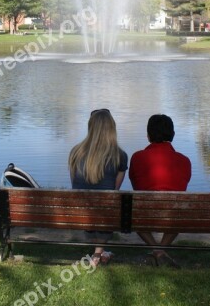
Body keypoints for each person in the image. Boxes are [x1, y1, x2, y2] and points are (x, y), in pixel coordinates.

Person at [129, 114, 192, 267]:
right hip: (174, 217)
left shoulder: (137, 157)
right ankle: (161, 250)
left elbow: (136, 186)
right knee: (179, 210)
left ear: (148, 135)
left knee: (132, 211)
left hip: (144, 214)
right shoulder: (184, 161)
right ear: (173, 135)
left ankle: (156, 250)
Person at [68, 109, 128, 267]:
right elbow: (114, 190)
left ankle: (99, 251)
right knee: (108, 202)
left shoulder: (75, 152)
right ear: (112, 128)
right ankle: (97, 254)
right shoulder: (120, 155)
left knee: (97, 201)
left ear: (90, 127)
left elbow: (75, 184)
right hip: (104, 213)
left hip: (80, 212)